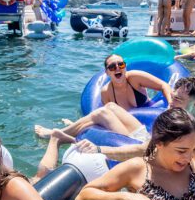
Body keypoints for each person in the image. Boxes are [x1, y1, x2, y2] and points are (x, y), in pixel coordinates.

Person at [76, 77, 195, 169]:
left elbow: (145, 149)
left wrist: (100, 150)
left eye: (177, 99)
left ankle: (62, 134)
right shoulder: (185, 115)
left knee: (103, 114)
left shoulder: (190, 129)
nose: (170, 102)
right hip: (148, 138)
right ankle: (66, 130)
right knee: (110, 107)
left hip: (139, 143)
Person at [34, 54, 173, 143]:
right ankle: (63, 132)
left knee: (109, 108)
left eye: (121, 64)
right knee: (107, 109)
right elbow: (106, 120)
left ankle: (58, 133)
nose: (117, 68)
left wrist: (171, 105)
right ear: (107, 72)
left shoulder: (135, 78)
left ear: (125, 67)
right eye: (112, 67)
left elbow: (163, 85)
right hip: (128, 130)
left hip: (148, 123)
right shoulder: (106, 91)